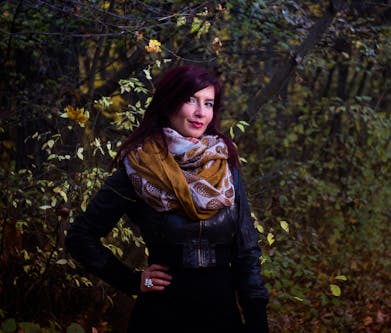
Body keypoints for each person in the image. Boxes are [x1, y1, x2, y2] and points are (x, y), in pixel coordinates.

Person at [65, 64, 269, 333]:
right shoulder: (140, 167)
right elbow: (80, 236)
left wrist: (257, 322)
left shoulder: (224, 165)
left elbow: (247, 253)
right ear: (168, 102)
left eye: (208, 103)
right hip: (161, 317)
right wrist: (132, 281)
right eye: (190, 100)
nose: (200, 112)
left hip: (222, 317)